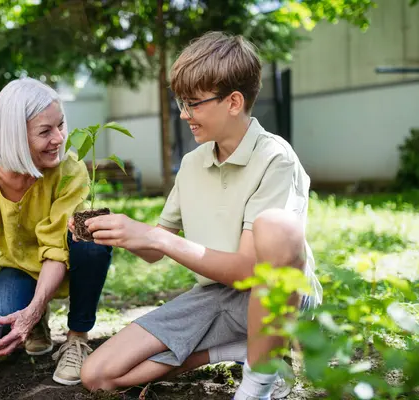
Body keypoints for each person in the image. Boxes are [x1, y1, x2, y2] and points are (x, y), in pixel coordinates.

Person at [75, 31, 323, 400]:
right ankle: (239, 351)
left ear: (234, 102)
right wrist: (122, 232)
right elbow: (155, 248)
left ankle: (258, 381)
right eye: (181, 102)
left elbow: (248, 272)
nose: (183, 114)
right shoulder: (193, 163)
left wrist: (157, 237)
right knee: (98, 375)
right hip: (214, 297)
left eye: (193, 104)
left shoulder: (275, 158)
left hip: (272, 295)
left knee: (275, 226)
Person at [0, 77, 112, 386]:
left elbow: (56, 247)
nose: (59, 139)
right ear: (14, 136)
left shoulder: (69, 170)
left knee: (91, 243)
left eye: (60, 125)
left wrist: (31, 310)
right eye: (45, 131)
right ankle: (35, 317)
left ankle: (76, 338)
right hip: (21, 266)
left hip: (70, 262)